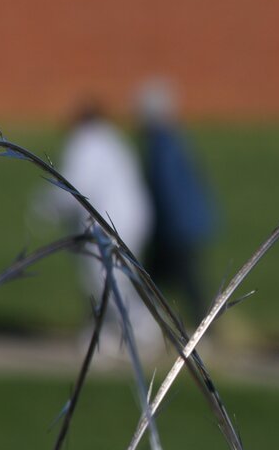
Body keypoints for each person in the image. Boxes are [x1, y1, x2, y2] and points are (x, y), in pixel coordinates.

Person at [38, 99, 161, 359]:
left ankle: (144, 328)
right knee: (110, 277)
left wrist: (48, 206)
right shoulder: (112, 139)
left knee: (106, 278)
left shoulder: (86, 143)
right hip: (132, 217)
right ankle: (107, 333)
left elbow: (75, 185)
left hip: (110, 221)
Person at [135, 80, 217, 325]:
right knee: (171, 277)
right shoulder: (173, 138)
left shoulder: (161, 144)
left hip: (175, 226)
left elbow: (165, 187)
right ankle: (146, 321)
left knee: (174, 278)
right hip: (182, 223)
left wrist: (160, 223)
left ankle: (203, 325)